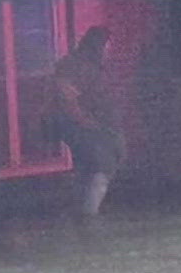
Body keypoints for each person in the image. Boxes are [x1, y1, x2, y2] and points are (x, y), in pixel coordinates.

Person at [50, 25, 125, 217]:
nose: (109, 49)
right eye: (107, 45)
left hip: (98, 127)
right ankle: (88, 214)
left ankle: (86, 212)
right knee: (100, 168)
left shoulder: (97, 66)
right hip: (84, 127)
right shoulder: (71, 66)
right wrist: (87, 123)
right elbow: (67, 100)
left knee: (94, 169)